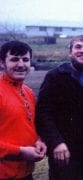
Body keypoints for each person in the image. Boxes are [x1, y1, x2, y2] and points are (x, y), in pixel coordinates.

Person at [35, 35, 83, 179]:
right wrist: (56, 142)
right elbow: (43, 114)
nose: (82, 50)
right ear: (70, 52)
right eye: (78, 47)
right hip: (63, 153)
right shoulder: (55, 77)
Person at [0, 41, 47, 179]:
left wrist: (38, 141)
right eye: (14, 59)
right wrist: (20, 152)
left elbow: (27, 126)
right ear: (2, 62)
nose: (21, 65)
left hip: (26, 173)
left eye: (25, 60)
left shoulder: (28, 92)